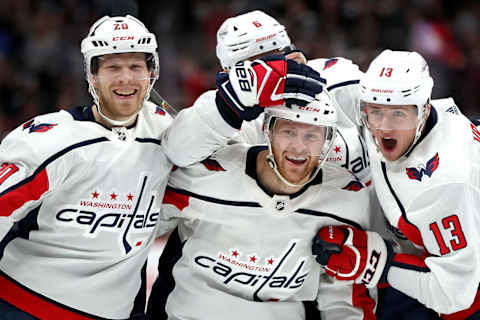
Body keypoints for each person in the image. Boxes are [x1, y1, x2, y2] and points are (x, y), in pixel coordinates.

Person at [0, 14, 323, 320]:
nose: (126, 78)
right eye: (113, 68)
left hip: (117, 312)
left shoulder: (164, 130)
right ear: (92, 76)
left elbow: (202, 154)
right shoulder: (49, 138)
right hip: (22, 305)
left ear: (151, 74)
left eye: (136, 67)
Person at [146, 10, 374, 319]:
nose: (271, 76)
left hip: (316, 241)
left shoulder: (338, 83)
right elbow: (177, 150)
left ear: (294, 55)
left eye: (276, 60)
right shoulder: (221, 111)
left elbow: (402, 114)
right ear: (232, 75)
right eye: (257, 69)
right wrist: (231, 104)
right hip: (223, 245)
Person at [312, 50, 480, 319]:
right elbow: (332, 76)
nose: (383, 128)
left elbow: (457, 297)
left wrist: (371, 263)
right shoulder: (400, 108)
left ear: (424, 111)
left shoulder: (445, 182)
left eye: (398, 114)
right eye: (375, 112)